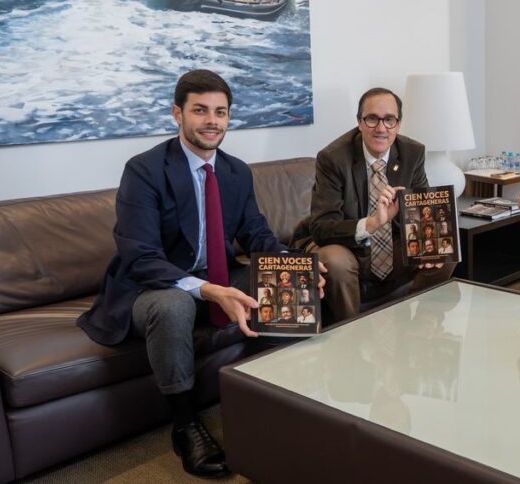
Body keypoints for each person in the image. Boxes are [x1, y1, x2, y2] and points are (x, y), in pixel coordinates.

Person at [76, 70, 326, 478]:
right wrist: (209, 290)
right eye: (200, 110)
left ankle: (282, 399)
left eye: (220, 112)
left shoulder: (236, 171)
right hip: (149, 285)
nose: (212, 121)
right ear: (177, 114)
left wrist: (296, 266)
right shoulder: (144, 170)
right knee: (174, 306)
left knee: (286, 281)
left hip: (215, 275)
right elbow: (140, 256)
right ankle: (185, 424)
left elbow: (256, 234)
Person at [291, 88, 456, 321]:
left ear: (398, 124)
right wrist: (373, 222)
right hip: (346, 245)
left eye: (389, 119)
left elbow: (421, 211)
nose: (381, 128)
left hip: (391, 244)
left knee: (445, 250)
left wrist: (430, 245)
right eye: (372, 119)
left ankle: (417, 325)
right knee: (336, 262)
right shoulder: (333, 159)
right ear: (359, 122)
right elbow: (322, 227)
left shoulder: (413, 153)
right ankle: (352, 332)